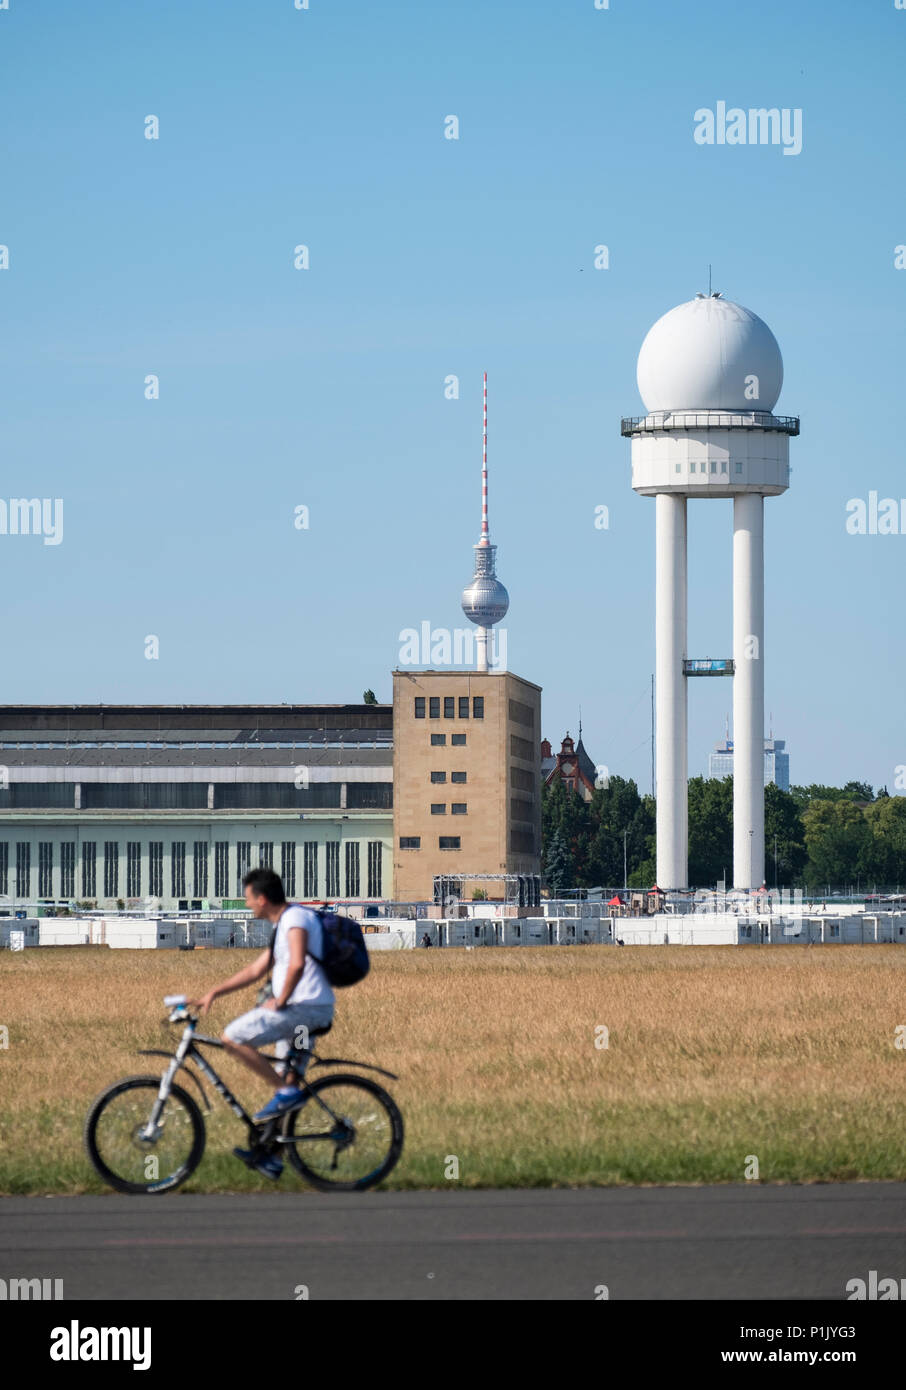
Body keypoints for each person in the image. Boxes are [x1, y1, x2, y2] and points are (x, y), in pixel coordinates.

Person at [188, 868, 334, 1180]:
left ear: (263, 898)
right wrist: (214, 992)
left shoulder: (295, 920)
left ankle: (284, 1092)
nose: (247, 905)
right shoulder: (283, 924)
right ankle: (271, 1157)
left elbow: (296, 963)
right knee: (290, 1078)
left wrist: (279, 1002)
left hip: (303, 1013)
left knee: (233, 1037)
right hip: (301, 1017)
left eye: (248, 900)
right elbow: (257, 969)